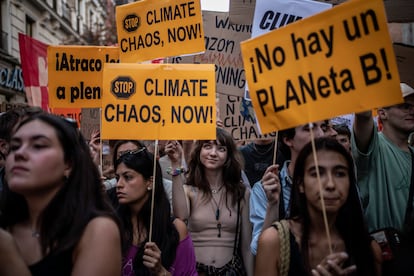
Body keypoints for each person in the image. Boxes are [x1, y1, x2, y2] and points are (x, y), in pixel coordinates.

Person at [0, 112, 122, 275]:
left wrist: (8, 256)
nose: (20, 153)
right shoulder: (6, 223)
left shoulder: (97, 231)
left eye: (38, 145)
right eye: (14, 146)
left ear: (68, 163)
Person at [255, 137, 382, 275]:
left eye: (340, 174)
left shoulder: (369, 249)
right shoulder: (274, 242)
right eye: (317, 173)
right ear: (300, 184)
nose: (330, 184)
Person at [166, 127, 253, 275]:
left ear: (228, 156)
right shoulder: (189, 191)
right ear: (199, 151)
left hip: (230, 271)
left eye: (221, 149)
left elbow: (246, 246)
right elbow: (181, 217)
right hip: (196, 271)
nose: (213, 153)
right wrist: (175, 165)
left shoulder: (241, 194)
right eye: (207, 146)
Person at [114, 147, 197, 275]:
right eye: (117, 177)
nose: (119, 184)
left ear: (150, 182)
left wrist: (160, 271)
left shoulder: (176, 230)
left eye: (128, 177)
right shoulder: (113, 227)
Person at [249, 121, 326, 255]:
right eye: (309, 128)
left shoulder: (335, 182)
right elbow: (258, 249)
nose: (320, 134)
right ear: (288, 139)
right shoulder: (265, 188)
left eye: (322, 127)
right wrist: (272, 204)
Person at [352, 82, 414, 232]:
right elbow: (363, 115)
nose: (412, 111)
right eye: (405, 106)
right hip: (389, 251)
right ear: (382, 113)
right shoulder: (375, 147)